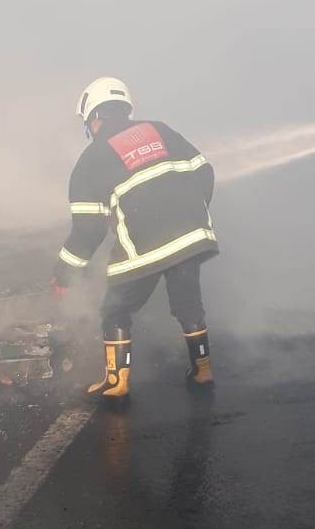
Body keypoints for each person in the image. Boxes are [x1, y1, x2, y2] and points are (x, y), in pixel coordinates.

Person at [50, 77, 219, 400]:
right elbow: (204, 170)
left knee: (115, 310)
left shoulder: (93, 157)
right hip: (189, 237)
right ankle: (203, 369)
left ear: (94, 117)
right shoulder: (161, 130)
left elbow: (88, 229)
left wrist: (64, 273)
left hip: (140, 249)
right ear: (125, 109)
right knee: (188, 303)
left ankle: (117, 382)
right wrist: (192, 215)